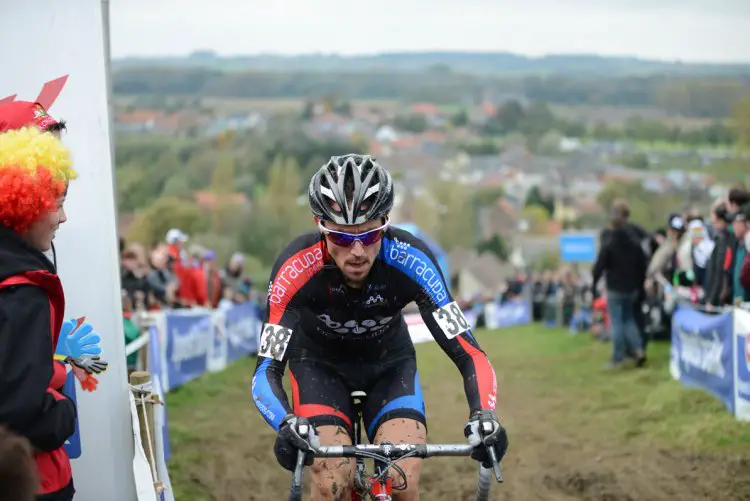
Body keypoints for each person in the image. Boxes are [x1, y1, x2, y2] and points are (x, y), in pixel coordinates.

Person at [251, 154, 508, 500]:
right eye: (341, 238)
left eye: (370, 234)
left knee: (402, 481)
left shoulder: (412, 259)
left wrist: (484, 415)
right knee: (331, 484)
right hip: (318, 367)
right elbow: (266, 370)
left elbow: (470, 353)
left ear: (386, 223)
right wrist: (285, 424)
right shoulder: (295, 269)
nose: (356, 251)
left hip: (388, 365)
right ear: (320, 225)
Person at [0, 126, 78, 500]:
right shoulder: (23, 290)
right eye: (57, 203)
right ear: (24, 205)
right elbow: (21, 410)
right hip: (31, 481)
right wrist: (64, 410)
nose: (62, 218)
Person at [592, 203, 647, 369]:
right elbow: (642, 264)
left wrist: (595, 283)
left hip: (615, 286)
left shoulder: (609, 241)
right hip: (631, 287)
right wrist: (640, 284)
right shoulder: (634, 241)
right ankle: (638, 349)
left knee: (616, 322)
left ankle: (618, 357)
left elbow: (600, 265)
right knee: (628, 319)